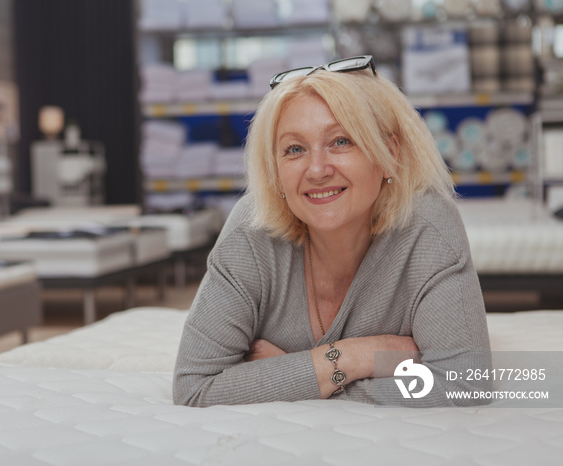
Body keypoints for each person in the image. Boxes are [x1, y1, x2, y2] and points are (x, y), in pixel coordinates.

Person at [173, 56, 491, 407]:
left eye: (341, 141)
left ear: (389, 152)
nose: (317, 169)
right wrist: (356, 357)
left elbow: (465, 385)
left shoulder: (428, 225)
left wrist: (292, 374)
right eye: (294, 149)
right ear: (275, 172)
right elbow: (195, 387)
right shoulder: (250, 231)